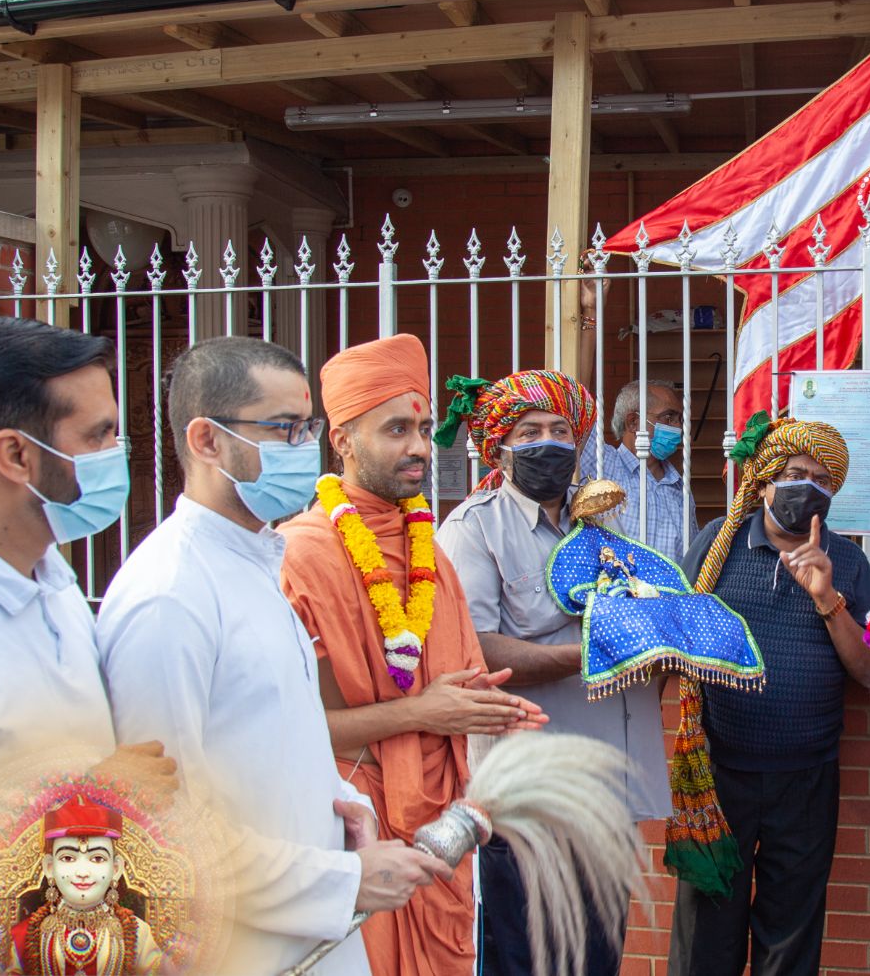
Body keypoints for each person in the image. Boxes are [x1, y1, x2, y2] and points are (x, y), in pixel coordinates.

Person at [97, 336, 453, 976]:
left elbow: (278, 741)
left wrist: (346, 817)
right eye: (285, 429)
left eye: (307, 426)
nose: (306, 448)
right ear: (207, 441)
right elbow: (156, 832)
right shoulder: (170, 596)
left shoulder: (256, 563)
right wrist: (335, 881)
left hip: (311, 929)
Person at [0, 317, 174, 964]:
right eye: (98, 434)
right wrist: (92, 812)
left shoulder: (52, 573)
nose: (122, 450)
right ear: (16, 455)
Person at [279, 334, 542, 976]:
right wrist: (429, 712)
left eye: (424, 428)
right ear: (341, 439)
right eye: (397, 429)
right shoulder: (303, 556)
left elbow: (452, 691)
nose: (422, 447)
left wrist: (483, 710)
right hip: (350, 833)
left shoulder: (432, 553)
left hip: (442, 833)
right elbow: (301, 731)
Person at [436, 369, 670, 976]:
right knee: (527, 958)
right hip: (528, 795)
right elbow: (478, 652)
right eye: (530, 430)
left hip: (607, 791)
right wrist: (595, 653)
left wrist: (667, 644)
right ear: (501, 446)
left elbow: (632, 612)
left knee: (598, 956)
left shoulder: (602, 525)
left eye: (561, 429)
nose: (549, 442)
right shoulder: (473, 528)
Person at [667, 416, 870, 976]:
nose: (805, 487)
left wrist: (828, 595)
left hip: (807, 780)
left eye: (820, 479)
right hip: (717, 773)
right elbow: (676, 636)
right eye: (793, 474)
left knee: (790, 939)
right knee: (705, 937)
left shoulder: (850, 562)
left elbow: (869, 673)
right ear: (763, 481)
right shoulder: (716, 544)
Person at [0, 795, 166, 975]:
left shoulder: (138, 935)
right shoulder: (24, 937)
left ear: (116, 869)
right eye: (68, 858)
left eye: (97, 858)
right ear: (49, 867)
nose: (83, 872)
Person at [581, 379, 699, 561]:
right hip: (611, 588)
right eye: (669, 418)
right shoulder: (602, 464)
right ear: (633, 422)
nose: (678, 427)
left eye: (679, 420)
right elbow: (573, 411)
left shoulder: (680, 488)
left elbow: (692, 560)